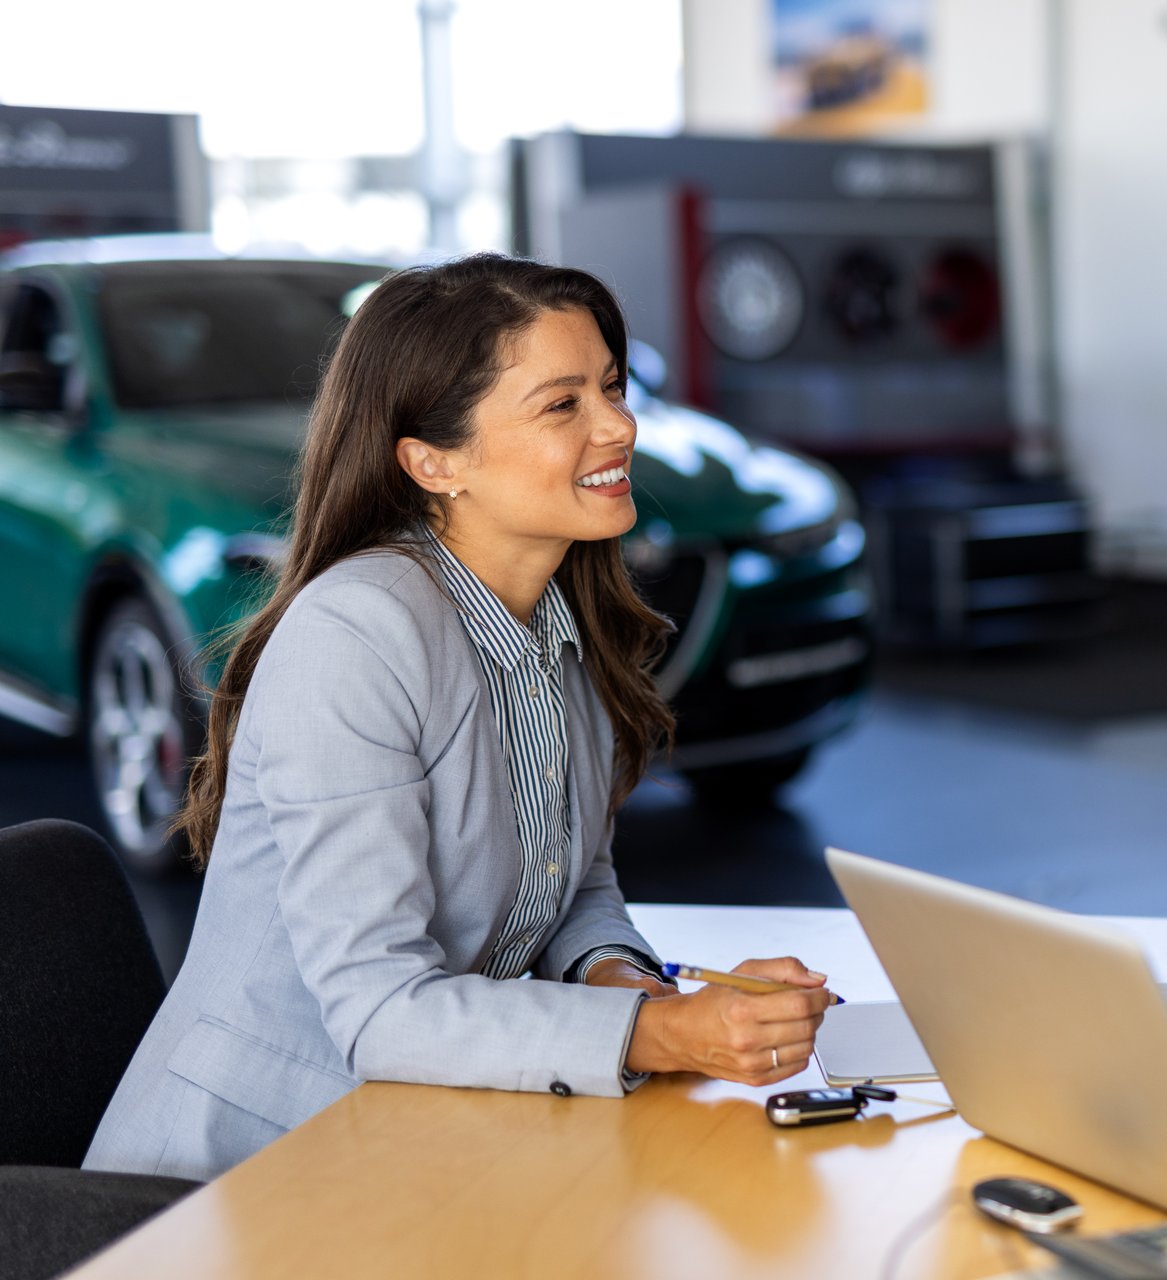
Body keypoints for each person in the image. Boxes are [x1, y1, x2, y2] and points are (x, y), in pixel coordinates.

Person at [85, 254, 834, 1183]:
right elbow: (380, 1008)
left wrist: (631, 985)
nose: (619, 425)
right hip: (242, 1173)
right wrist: (661, 1034)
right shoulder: (356, 635)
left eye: (610, 386)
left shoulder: (558, 620)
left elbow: (576, 889)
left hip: (416, 1140)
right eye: (563, 405)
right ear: (433, 461)